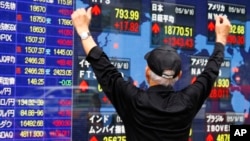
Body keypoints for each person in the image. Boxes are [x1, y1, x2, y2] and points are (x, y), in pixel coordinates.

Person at [71, 7, 231, 141]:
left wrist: (84, 31)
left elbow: (103, 68)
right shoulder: (187, 101)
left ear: (147, 72)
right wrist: (221, 38)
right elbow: (210, 72)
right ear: (179, 75)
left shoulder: (133, 100)